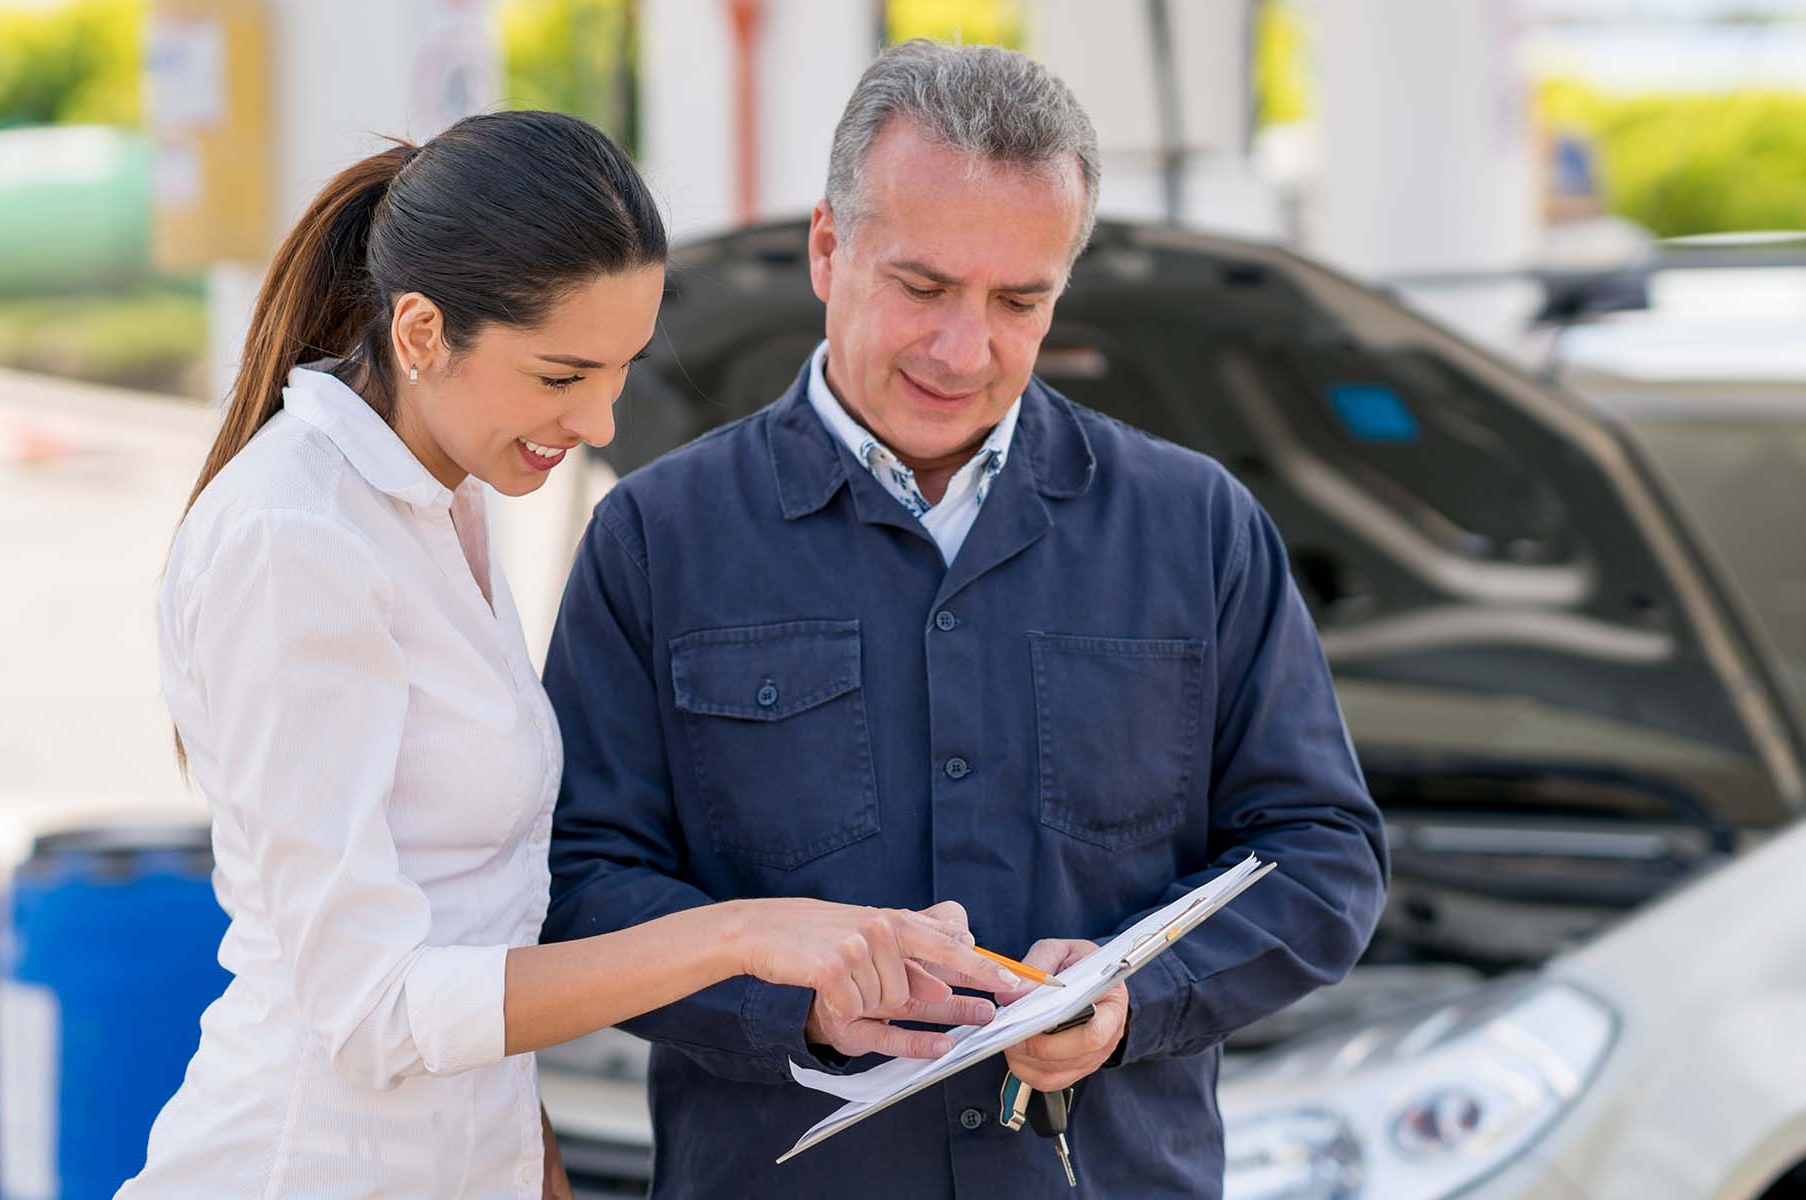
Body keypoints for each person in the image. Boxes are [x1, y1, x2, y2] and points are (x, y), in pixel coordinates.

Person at [540, 41, 1390, 1199]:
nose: (963, 349)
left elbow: (1322, 857)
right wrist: (801, 1001)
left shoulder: (1195, 528)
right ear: (829, 251)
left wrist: (1132, 1001)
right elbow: (582, 881)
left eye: (1018, 301)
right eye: (923, 287)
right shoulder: (656, 538)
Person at [117, 110, 1019, 1200]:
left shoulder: (442, 493)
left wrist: (534, 1165)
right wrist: (736, 936)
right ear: (417, 333)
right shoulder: (293, 535)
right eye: (559, 376)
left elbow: (475, 918)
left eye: (621, 370)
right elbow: (369, 1009)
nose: (596, 421)